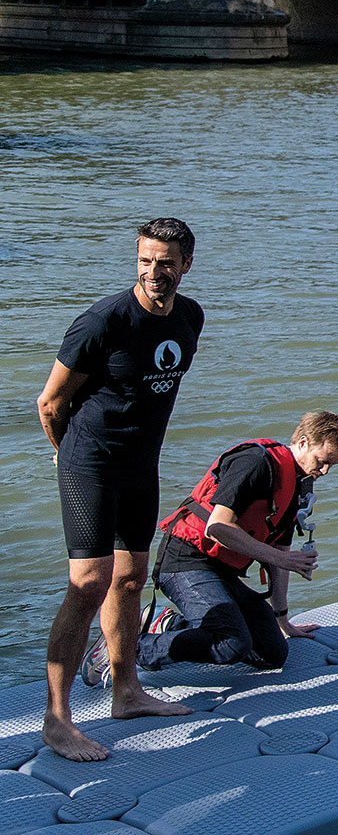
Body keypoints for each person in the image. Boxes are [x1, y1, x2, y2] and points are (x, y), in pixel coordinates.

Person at [37, 218, 202, 761]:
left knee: (129, 582)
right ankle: (56, 721)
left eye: (165, 262)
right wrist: (66, 455)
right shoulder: (103, 321)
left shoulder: (189, 317)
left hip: (140, 466)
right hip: (89, 462)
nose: (154, 272)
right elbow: (50, 403)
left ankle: (126, 692)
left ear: (185, 265)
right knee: (89, 583)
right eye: (145, 261)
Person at [133, 413, 338, 674]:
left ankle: (169, 624)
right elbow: (217, 527)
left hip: (222, 571)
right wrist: (281, 559)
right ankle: (128, 650)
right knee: (231, 643)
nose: (325, 471)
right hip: (185, 561)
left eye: (333, 465)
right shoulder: (255, 462)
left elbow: (280, 552)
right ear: (304, 442)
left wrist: (283, 620)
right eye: (323, 461)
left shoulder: (296, 486)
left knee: (272, 653)